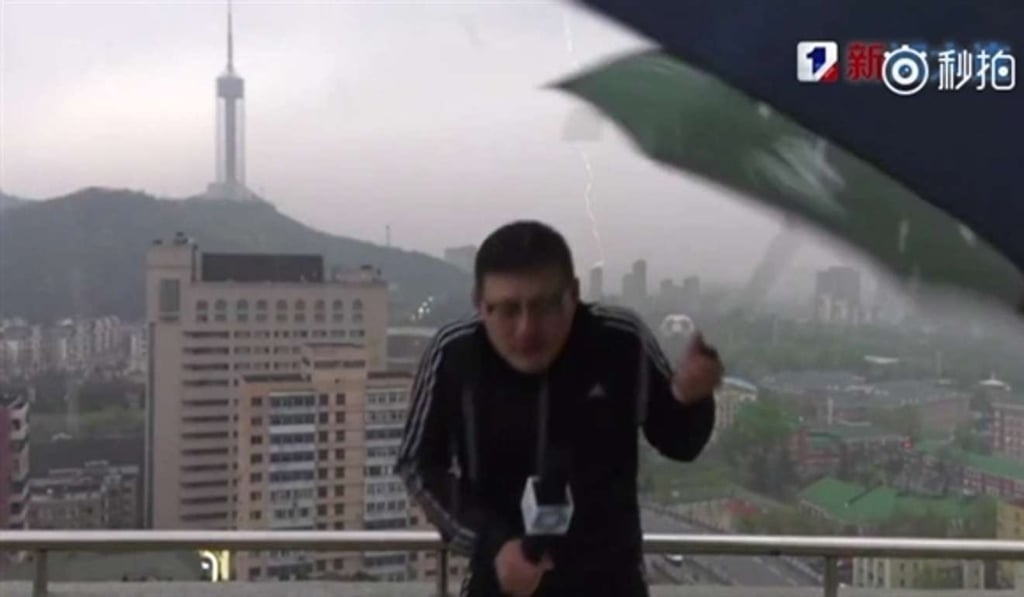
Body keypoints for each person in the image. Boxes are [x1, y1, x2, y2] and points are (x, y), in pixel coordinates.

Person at [396, 221, 722, 597]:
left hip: (610, 584)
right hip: (502, 584)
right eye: (506, 309)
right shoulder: (455, 354)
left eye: (545, 306)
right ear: (479, 305)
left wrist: (691, 398)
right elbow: (419, 464)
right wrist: (493, 543)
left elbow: (680, 442)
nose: (526, 330)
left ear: (575, 294)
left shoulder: (619, 341)